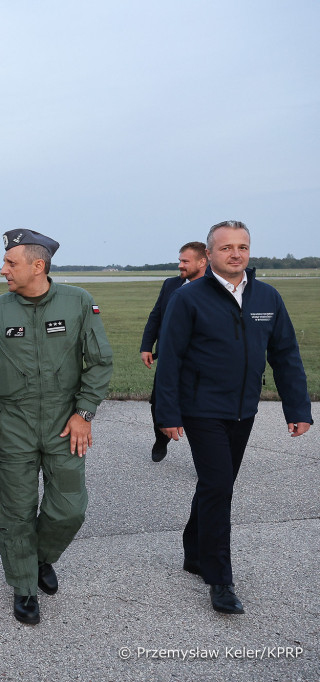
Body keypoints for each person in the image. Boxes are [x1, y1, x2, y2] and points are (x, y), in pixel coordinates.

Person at [155, 220, 311, 615]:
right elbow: (170, 360)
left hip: (244, 409)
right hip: (200, 408)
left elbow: (286, 355)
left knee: (214, 486)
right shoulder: (188, 298)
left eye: (242, 246)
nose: (236, 253)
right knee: (219, 486)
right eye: (226, 248)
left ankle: (194, 552)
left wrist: (297, 408)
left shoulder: (267, 297)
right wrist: (167, 412)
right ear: (210, 255)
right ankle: (220, 579)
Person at [0, 229, 113, 626]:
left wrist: (83, 413)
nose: (3, 271)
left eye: (10, 263)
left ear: (38, 265)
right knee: (15, 511)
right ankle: (24, 586)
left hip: (63, 422)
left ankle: (40, 558)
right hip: (12, 422)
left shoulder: (78, 302)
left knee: (70, 508)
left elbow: (100, 362)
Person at [139, 242, 207, 462]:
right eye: (180, 260)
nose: (180, 265)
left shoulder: (214, 289)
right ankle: (161, 439)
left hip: (200, 361)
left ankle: (206, 457)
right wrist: (146, 346)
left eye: (185, 261)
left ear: (202, 261)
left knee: (201, 410)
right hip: (169, 356)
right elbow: (156, 315)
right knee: (158, 403)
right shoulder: (171, 285)